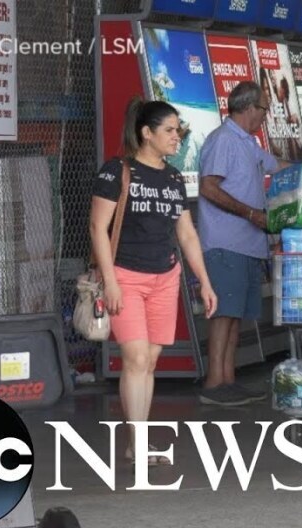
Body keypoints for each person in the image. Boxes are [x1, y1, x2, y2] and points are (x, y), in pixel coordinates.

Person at [90, 97, 217, 463]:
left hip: (166, 276)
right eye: (170, 130)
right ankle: (137, 444)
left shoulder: (173, 177)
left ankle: (139, 443)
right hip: (126, 276)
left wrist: (204, 281)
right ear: (147, 133)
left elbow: (187, 234)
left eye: (179, 130)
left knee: (149, 361)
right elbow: (98, 227)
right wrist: (111, 281)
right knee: (136, 358)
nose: (177, 137)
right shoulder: (117, 171)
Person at [197, 81, 291, 406]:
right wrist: (250, 213)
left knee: (235, 315)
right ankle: (214, 384)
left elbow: (277, 166)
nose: (265, 115)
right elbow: (209, 187)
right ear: (250, 107)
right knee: (223, 314)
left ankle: (228, 379)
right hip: (226, 243)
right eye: (264, 108)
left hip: (247, 244)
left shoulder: (248, 142)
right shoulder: (223, 140)